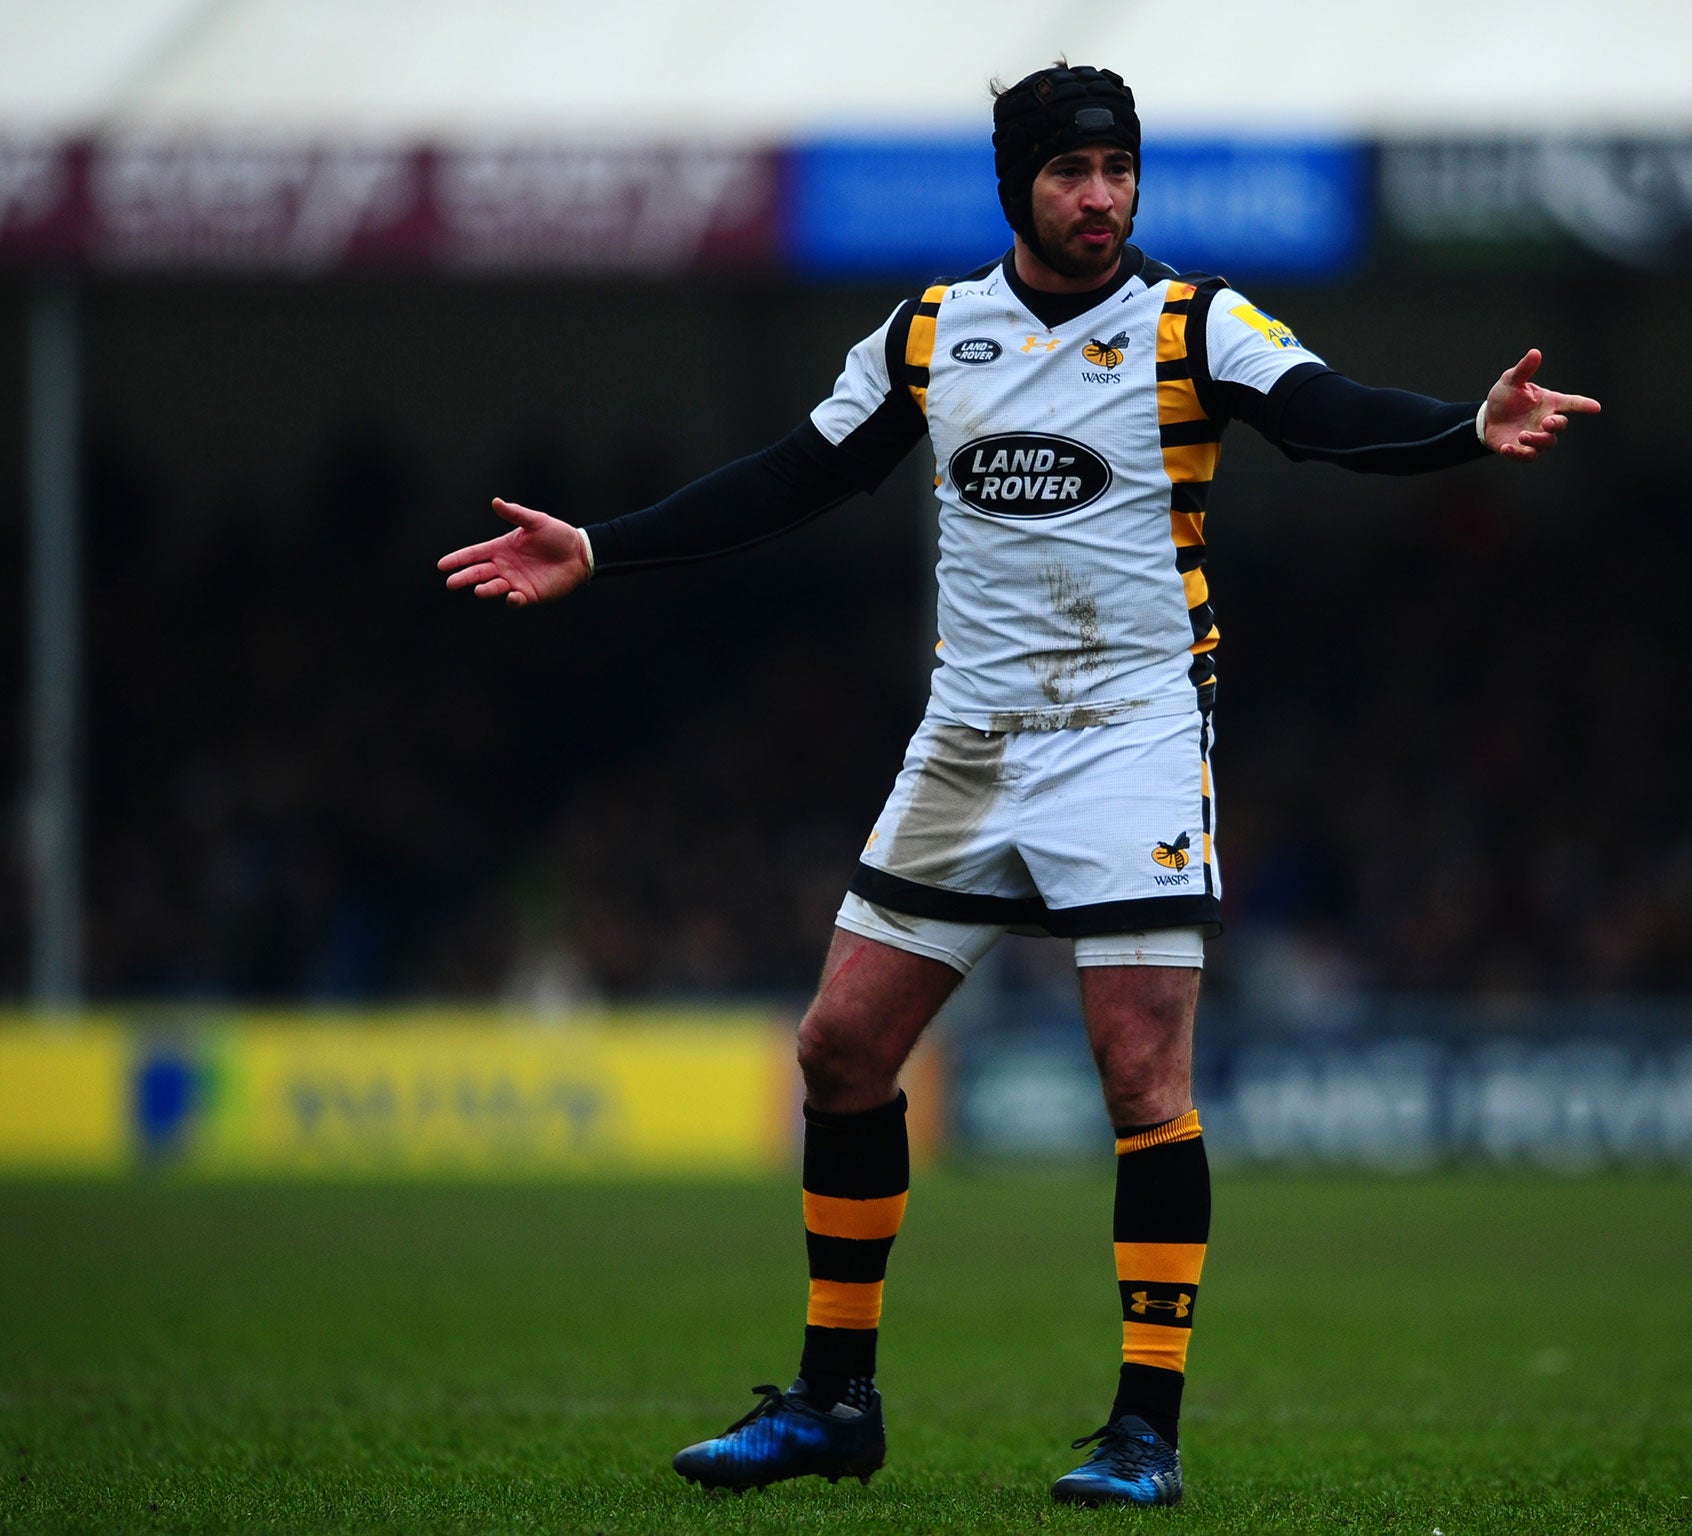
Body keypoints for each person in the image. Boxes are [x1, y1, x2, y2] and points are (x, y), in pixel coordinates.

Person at [438, 63, 1600, 1508]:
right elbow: (794, 473)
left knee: (1137, 1074)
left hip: (1130, 734)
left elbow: (1322, 410)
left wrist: (1459, 426)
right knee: (840, 1052)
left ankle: (1144, 1433)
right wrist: (602, 548)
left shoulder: (1191, 321)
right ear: (1017, 185)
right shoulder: (937, 330)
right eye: (1071, 172)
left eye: (1119, 169)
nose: (1102, 197)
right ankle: (833, 1401)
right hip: (970, 744)